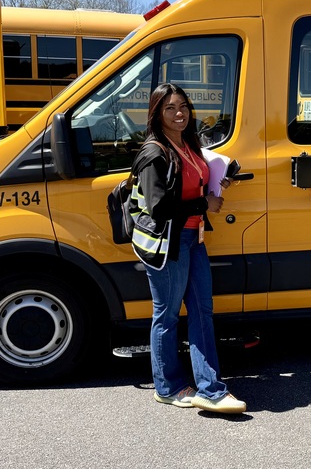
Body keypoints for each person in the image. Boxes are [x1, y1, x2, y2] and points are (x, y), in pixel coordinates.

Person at [130, 82, 246, 414]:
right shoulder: (154, 152)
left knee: (201, 313)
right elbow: (158, 208)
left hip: (193, 241)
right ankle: (167, 387)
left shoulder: (187, 145)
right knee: (166, 316)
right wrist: (203, 204)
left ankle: (211, 389)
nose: (179, 113)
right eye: (170, 108)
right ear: (156, 114)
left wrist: (217, 183)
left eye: (183, 106)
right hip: (169, 244)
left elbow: (192, 186)